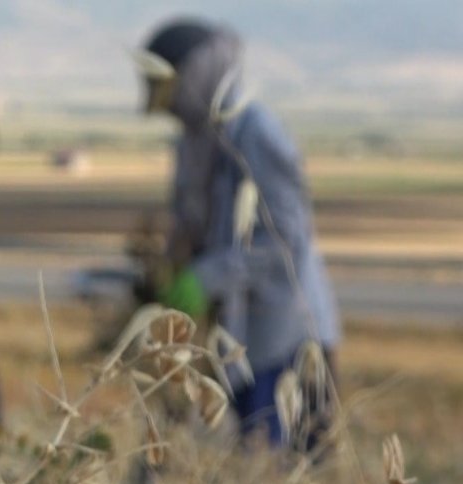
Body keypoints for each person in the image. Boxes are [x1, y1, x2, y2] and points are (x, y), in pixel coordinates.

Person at [136, 18, 342, 452]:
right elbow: (191, 220)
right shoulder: (197, 141)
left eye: (166, 89)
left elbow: (286, 241)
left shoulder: (256, 133)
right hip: (238, 340)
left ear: (190, 76)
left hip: (287, 340)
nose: (166, 106)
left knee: (288, 483)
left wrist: (206, 277)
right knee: (247, 470)